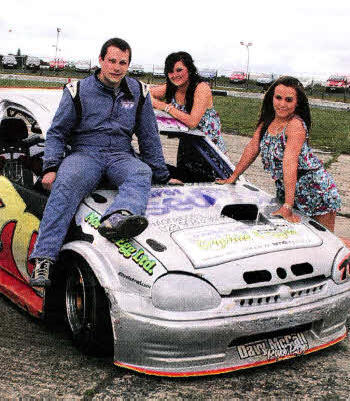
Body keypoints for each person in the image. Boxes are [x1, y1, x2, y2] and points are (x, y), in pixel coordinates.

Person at [29, 38, 170, 287]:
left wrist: (162, 175)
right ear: (101, 60)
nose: (116, 67)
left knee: (141, 171)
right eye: (112, 61)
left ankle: (117, 218)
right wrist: (50, 168)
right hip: (85, 153)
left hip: (120, 154)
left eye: (122, 62)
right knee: (66, 183)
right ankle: (43, 259)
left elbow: (149, 136)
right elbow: (58, 133)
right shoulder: (78, 90)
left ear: (129, 65)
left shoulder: (139, 91)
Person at [217, 76, 341, 232]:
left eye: (289, 100)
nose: (282, 104)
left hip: (315, 190)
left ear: (297, 103)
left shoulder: (295, 125)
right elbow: (252, 149)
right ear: (271, 98)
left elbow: (290, 163)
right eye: (278, 98)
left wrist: (288, 205)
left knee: (326, 241)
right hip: (288, 190)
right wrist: (233, 177)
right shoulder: (266, 122)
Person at [150, 51, 226, 182]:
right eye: (170, 72)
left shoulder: (201, 88)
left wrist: (165, 107)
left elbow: (192, 122)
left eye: (179, 70)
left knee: (207, 187)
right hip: (187, 146)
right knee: (184, 183)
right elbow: (144, 92)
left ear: (189, 69)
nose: (175, 75)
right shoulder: (171, 87)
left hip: (207, 150)